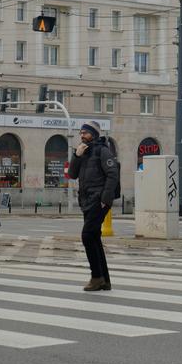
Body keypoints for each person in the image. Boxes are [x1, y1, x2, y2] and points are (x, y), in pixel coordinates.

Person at [69, 120, 119, 291]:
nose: (82, 135)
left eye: (85, 132)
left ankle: (96, 277)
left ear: (94, 134)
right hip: (87, 200)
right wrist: (76, 156)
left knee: (87, 236)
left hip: (98, 200)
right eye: (81, 132)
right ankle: (104, 279)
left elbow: (113, 174)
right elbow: (72, 175)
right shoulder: (83, 152)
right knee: (94, 238)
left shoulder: (102, 151)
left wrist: (105, 199)